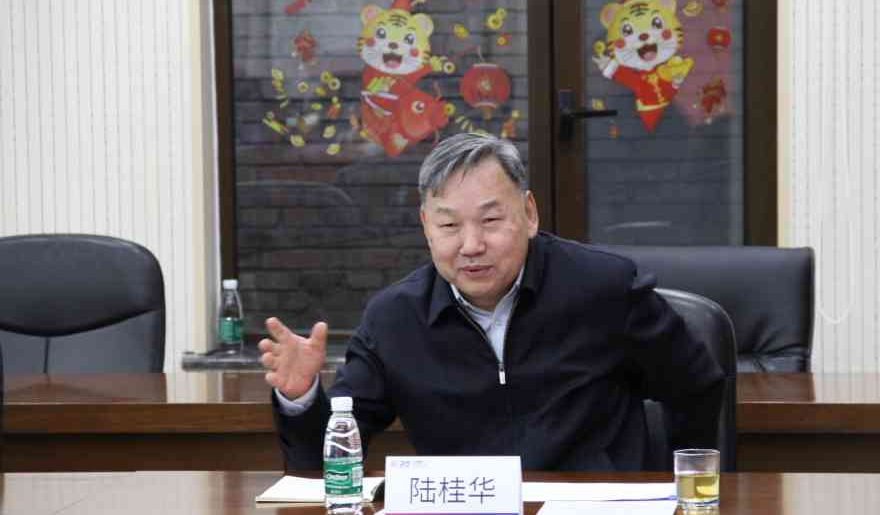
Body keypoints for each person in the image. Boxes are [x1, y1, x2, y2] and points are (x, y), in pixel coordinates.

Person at [261, 132, 723, 471]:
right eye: (449, 226)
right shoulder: (394, 319)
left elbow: (695, 385)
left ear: (529, 214)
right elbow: (327, 461)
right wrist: (301, 398)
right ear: (426, 227)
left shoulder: (605, 287)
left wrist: (672, 489)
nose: (471, 245)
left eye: (490, 220)